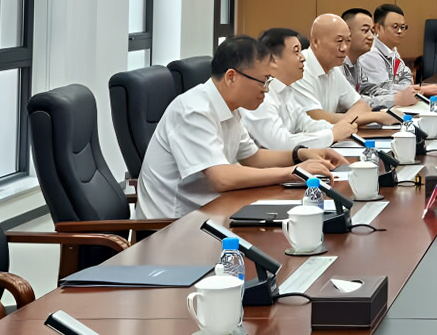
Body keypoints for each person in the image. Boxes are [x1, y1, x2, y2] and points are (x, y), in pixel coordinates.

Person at [136, 36, 344, 220]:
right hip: (171, 227)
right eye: (263, 81)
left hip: (212, 212)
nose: (266, 90)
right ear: (231, 77)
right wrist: (292, 172)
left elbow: (253, 157)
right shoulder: (193, 110)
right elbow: (221, 178)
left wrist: (301, 154)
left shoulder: (230, 107)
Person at [242, 28, 358, 150]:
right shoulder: (260, 95)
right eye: (296, 52)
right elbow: (279, 144)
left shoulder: (286, 90)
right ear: (273, 59)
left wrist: (337, 128)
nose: (303, 58)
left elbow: (305, 123)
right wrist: (332, 134)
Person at [290, 14, 397, 127]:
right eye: (339, 41)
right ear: (316, 42)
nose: (344, 48)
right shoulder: (299, 68)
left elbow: (361, 105)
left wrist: (348, 122)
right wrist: (375, 116)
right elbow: (316, 117)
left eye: (348, 41)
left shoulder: (333, 69)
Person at [360, 3, 437, 98]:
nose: (400, 31)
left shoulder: (392, 49)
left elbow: (407, 77)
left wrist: (409, 88)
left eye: (403, 27)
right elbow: (382, 90)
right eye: (395, 26)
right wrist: (419, 90)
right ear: (377, 28)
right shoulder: (370, 54)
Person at [342, 7, 419, 108]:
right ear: (347, 33)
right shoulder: (338, 66)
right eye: (365, 31)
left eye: (371, 31)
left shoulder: (356, 63)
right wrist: (396, 99)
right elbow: (352, 103)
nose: (371, 37)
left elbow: (371, 89)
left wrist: (410, 92)